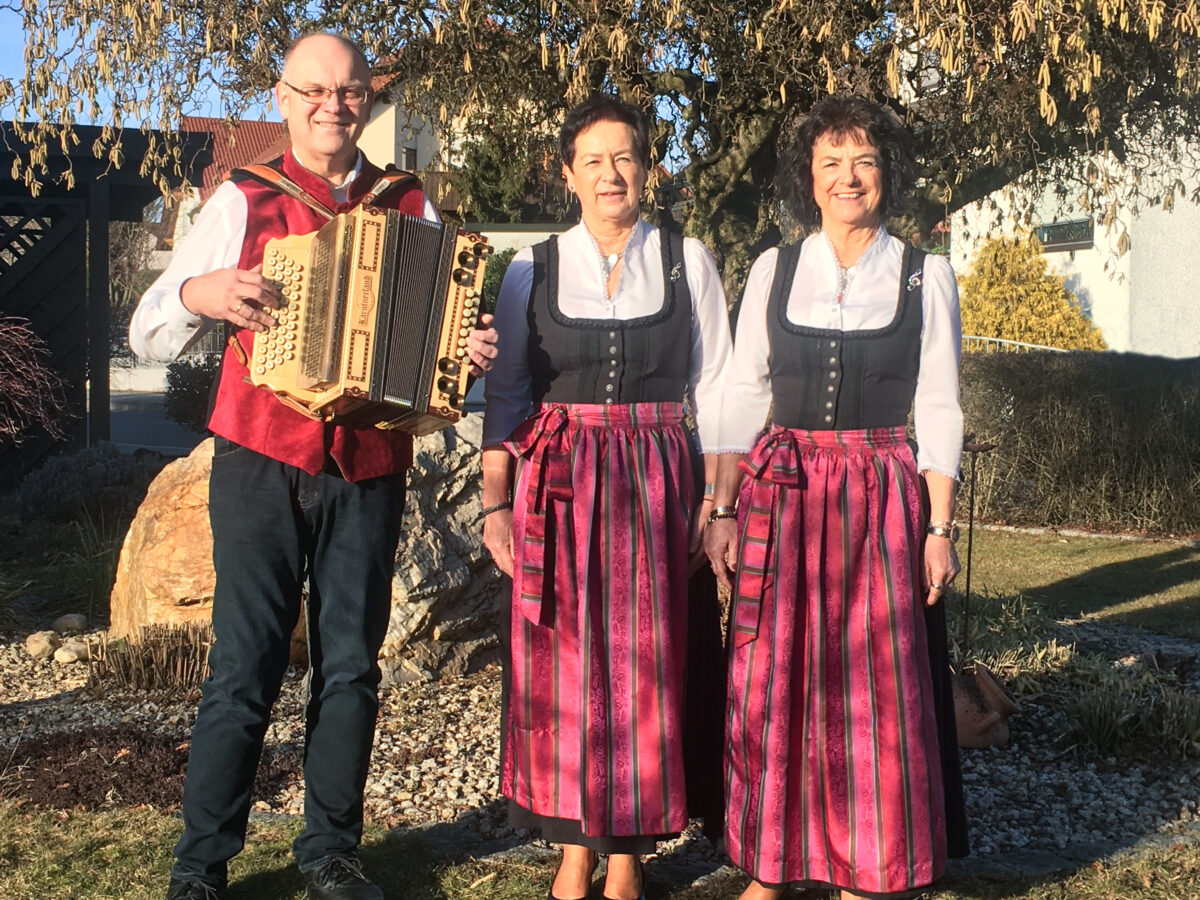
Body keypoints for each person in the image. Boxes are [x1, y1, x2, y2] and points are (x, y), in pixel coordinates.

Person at [129, 33, 497, 900]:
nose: (335, 105)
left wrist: (466, 350)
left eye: (351, 90)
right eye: (317, 90)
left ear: (368, 98)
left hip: (368, 463)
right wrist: (201, 293)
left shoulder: (408, 202)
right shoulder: (243, 198)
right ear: (284, 99)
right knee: (244, 665)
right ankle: (201, 865)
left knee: (351, 667)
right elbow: (147, 330)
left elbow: (440, 331)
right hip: (259, 458)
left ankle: (330, 850)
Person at [704, 94, 967, 900]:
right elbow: (742, 394)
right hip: (782, 498)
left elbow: (940, 405)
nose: (848, 178)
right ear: (808, 179)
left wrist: (940, 527)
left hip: (880, 500)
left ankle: (866, 871)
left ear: (886, 174)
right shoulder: (774, 269)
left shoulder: (925, 274)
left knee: (872, 687)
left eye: (864, 162)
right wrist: (721, 508)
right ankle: (772, 867)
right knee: (772, 681)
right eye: (831, 163)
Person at [480, 94, 734, 900]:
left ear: (647, 169)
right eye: (592, 160)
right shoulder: (532, 268)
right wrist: (494, 503)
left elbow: (719, 387)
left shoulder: (687, 260)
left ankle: (626, 856)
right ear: (568, 174)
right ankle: (572, 849)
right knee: (561, 663)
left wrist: (717, 498)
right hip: (558, 485)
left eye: (624, 157)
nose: (610, 173)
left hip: (659, 478)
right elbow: (508, 393)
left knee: (646, 666)